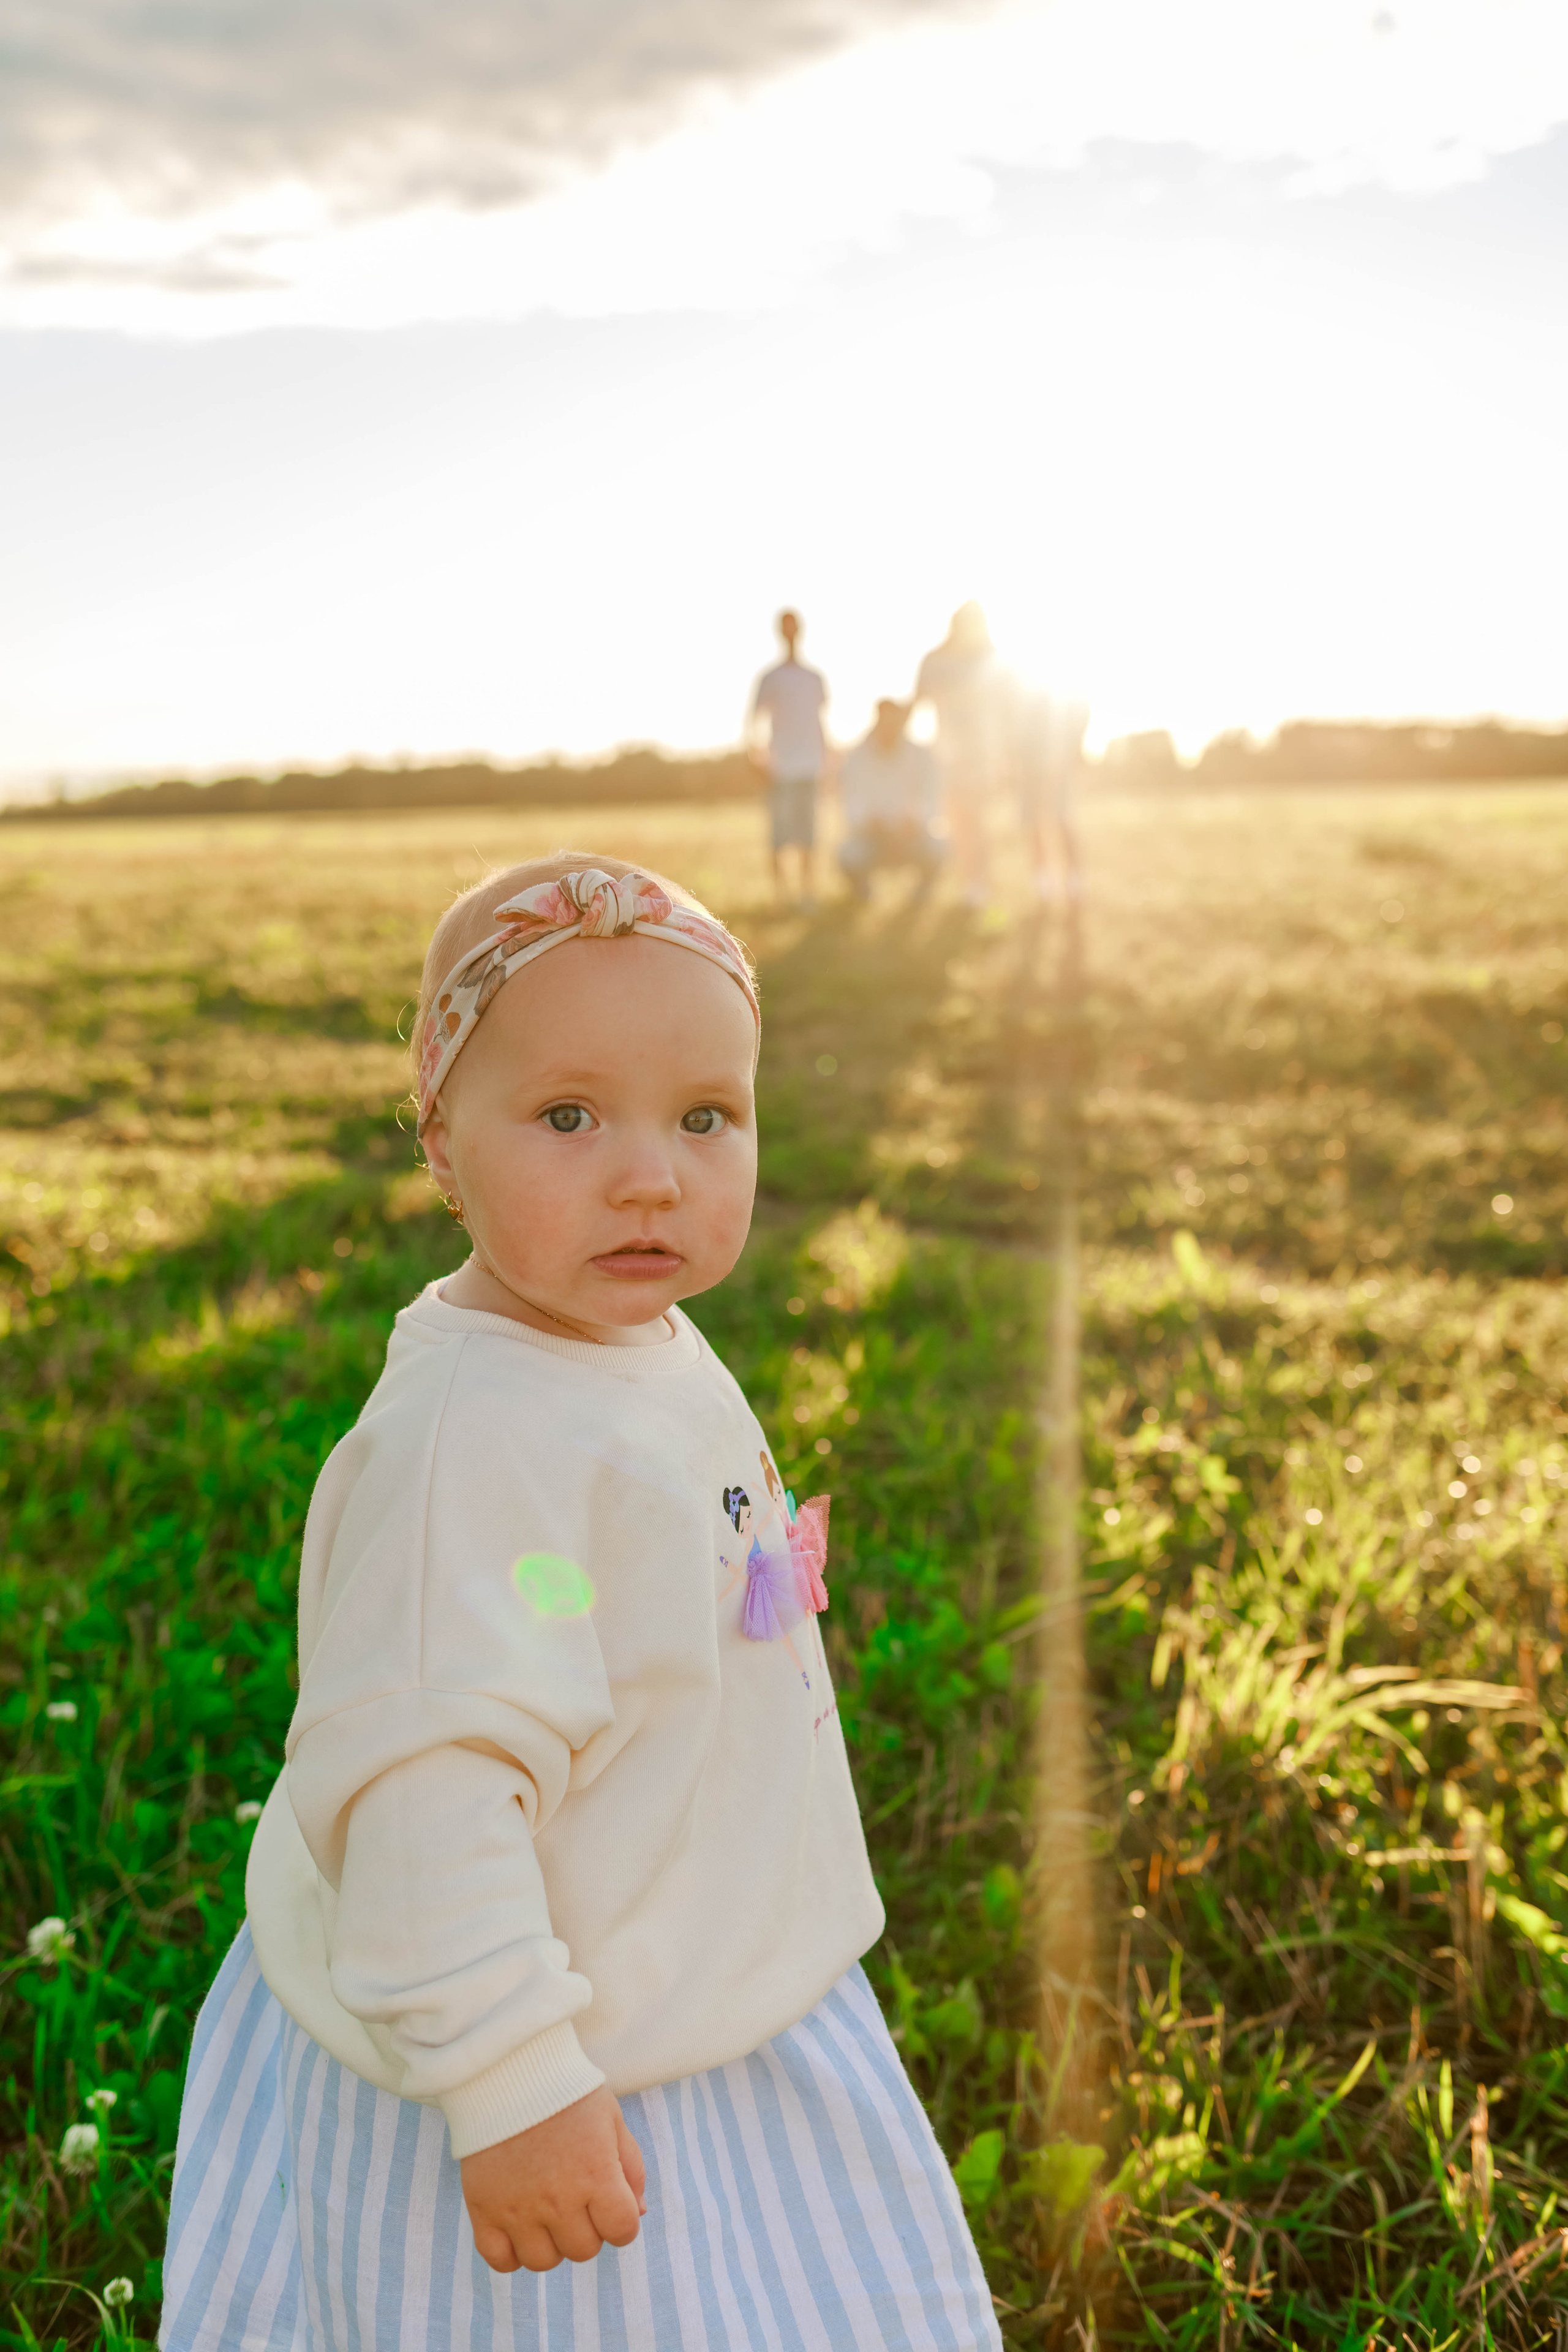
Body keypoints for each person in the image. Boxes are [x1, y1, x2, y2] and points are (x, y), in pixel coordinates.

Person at [160, 855, 1001, 2352]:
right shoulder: (470, 1448)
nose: (649, 1176)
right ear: (441, 1138)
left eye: (704, 1117)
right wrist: (510, 2082)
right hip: (545, 2056)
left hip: (689, 1954)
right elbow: (424, 1792)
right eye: (568, 1117)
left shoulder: (631, 1332)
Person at [912, 601, 1011, 907]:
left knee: (976, 818)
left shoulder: (990, 660)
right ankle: (970, 881)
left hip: (981, 754)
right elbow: (918, 700)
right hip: (947, 755)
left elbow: (1007, 707)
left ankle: (979, 884)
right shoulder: (935, 661)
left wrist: (1005, 753)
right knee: (957, 820)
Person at [748, 608, 828, 907]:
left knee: (809, 836)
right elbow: (755, 720)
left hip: (810, 768)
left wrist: (827, 759)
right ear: (780, 632)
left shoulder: (814, 678)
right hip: (780, 770)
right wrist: (756, 758)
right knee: (779, 837)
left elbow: (820, 721)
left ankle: (808, 895)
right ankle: (781, 897)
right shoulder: (771, 678)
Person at [837, 698, 944, 902]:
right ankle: (863, 891)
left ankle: (923, 892)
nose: (890, 728)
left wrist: (916, 818)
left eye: (894, 723)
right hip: (872, 836)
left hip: (911, 834)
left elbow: (932, 796)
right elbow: (851, 801)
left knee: (938, 847)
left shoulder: (920, 755)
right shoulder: (858, 757)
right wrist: (870, 822)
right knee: (849, 854)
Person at [1017, 687, 1089, 903]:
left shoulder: (1064, 695)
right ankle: (1044, 887)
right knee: (1033, 823)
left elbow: (1081, 708)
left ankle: (1075, 883)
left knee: (1062, 820)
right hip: (1029, 765)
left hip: (1059, 761)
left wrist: (1073, 748)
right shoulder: (1020, 691)